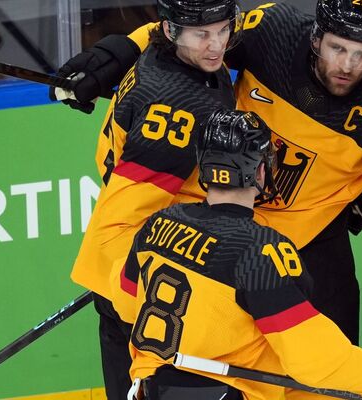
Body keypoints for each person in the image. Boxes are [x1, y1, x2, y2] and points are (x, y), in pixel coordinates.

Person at [56, 0, 362, 353]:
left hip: (310, 246)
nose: (347, 65)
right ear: (316, 37)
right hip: (223, 226)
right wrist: (127, 47)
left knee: (327, 371)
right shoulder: (274, 31)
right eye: (338, 48)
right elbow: (199, 30)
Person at [116, 108, 362, 400]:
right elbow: (314, 359)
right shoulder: (260, 251)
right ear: (259, 172)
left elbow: (125, 302)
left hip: (149, 388)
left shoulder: (158, 224)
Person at [65, 1, 240, 398]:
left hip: (128, 264)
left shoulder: (161, 47)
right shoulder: (177, 106)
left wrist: (119, 47)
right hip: (137, 276)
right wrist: (141, 292)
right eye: (202, 34)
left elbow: (150, 32)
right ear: (173, 30)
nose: (216, 46)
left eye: (223, 30)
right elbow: (128, 217)